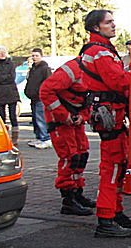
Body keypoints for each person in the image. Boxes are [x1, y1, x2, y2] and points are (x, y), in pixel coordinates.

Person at [80, 9, 131, 238]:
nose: (114, 25)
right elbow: (120, 81)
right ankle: (105, 219)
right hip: (109, 117)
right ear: (96, 27)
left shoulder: (102, 50)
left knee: (119, 164)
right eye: (108, 22)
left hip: (112, 116)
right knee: (112, 168)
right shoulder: (100, 53)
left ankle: (115, 211)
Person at [39, 56, 95, 216]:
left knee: (82, 154)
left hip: (75, 117)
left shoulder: (95, 72)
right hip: (59, 120)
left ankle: (77, 193)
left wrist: (83, 116)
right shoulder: (72, 70)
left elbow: (89, 99)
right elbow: (46, 91)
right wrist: (64, 115)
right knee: (69, 156)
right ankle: (68, 200)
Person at [24, 48, 53, 149]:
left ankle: (46, 138)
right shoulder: (33, 68)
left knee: (41, 118)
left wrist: (43, 93)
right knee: (35, 118)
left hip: (40, 97)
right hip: (33, 97)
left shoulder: (45, 68)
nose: (34, 58)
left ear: (41, 56)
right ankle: (39, 137)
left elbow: (48, 82)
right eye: (33, 56)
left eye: (36, 55)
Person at [0, 46, 21, 130]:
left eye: (3, 52)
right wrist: (4, 78)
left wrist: (1, 78)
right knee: (1, 115)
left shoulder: (11, 63)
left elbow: (11, 77)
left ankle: (15, 134)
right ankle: (3, 132)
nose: (2, 54)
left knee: (13, 115)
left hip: (11, 91)